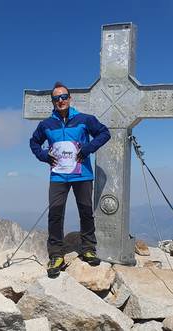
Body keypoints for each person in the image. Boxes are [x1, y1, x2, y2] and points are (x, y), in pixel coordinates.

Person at [29, 81, 111, 278]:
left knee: (85, 210)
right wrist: (43, 156)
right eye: (56, 98)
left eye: (64, 97)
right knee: (55, 213)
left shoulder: (84, 119)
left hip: (82, 174)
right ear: (53, 102)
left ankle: (89, 249)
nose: (61, 101)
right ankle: (56, 255)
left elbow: (104, 133)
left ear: (69, 98)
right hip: (58, 175)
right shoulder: (46, 124)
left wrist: (89, 148)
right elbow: (34, 142)